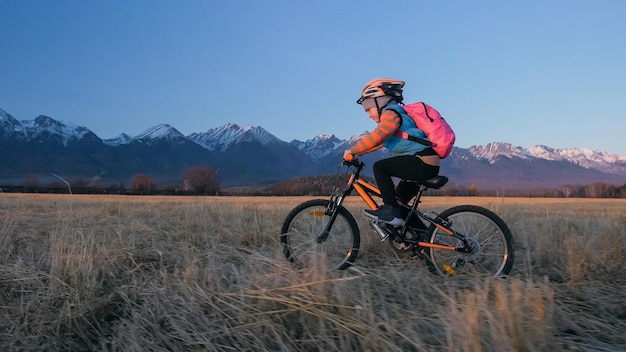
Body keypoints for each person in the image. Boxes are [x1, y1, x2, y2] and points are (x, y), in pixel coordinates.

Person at [343, 78, 440, 226]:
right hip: (424, 161)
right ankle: (422, 239)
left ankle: (389, 212)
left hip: (422, 162)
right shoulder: (398, 113)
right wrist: (358, 154)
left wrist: (352, 150)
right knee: (400, 205)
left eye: (368, 109)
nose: (369, 114)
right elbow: (381, 141)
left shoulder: (391, 113)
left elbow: (378, 136)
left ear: (379, 101)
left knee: (380, 167)